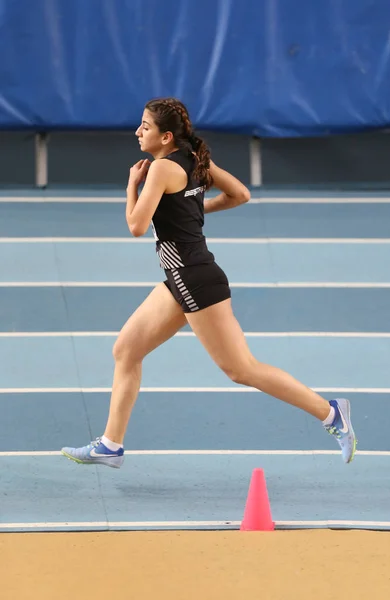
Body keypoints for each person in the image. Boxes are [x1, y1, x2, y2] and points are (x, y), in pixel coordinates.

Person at [61, 97, 357, 469]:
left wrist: (130, 187)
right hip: (182, 277)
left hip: (194, 280)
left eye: (145, 127)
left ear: (166, 136)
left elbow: (136, 226)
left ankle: (331, 414)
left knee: (241, 369)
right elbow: (240, 194)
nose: (138, 132)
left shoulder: (159, 169)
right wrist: (194, 209)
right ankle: (111, 444)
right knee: (126, 350)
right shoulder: (195, 159)